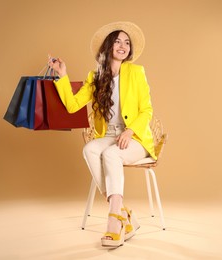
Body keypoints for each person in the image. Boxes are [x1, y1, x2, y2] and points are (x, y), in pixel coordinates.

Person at [48, 21, 156, 247]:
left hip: (135, 138)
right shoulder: (96, 76)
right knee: (89, 149)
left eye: (127, 42)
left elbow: (146, 110)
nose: (123, 45)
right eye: (117, 41)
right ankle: (122, 212)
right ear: (108, 46)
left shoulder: (137, 72)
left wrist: (130, 130)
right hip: (109, 135)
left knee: (110, 156)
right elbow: (72, 105)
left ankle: (114, 221)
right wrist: (62, 75)